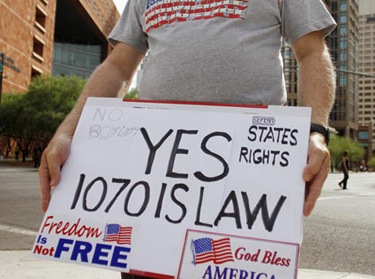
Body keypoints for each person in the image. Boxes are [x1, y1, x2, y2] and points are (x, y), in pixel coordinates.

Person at [39, 1, 336, 278]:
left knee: (226, 266)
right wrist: (68, 130)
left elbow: (311, 51)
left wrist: (316, 131)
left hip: (245, 170)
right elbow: (118, 66)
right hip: (153, 175)